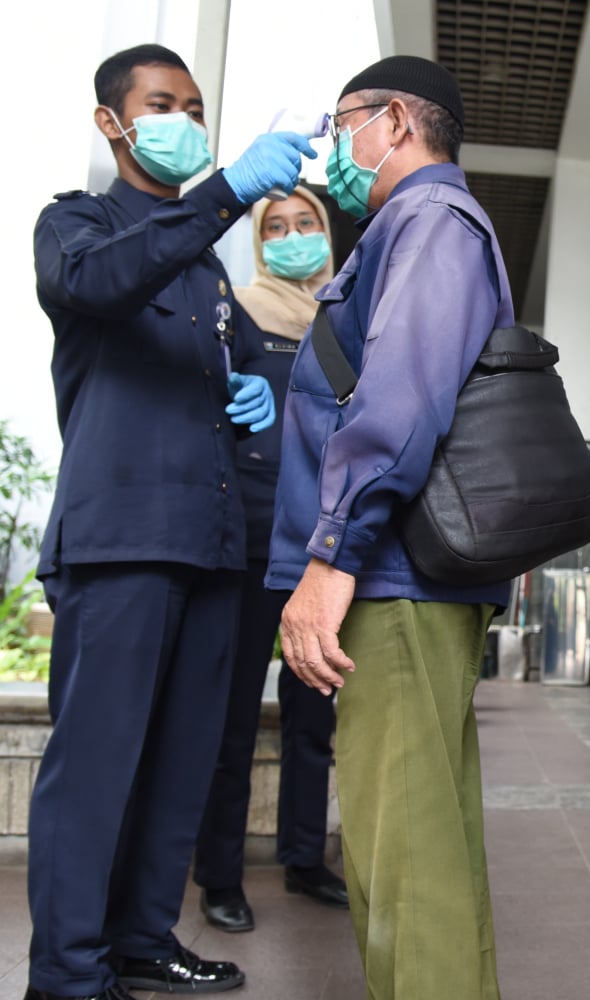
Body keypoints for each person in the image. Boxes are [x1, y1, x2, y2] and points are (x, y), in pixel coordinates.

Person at [28, 44, 313, 1000]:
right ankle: (67, 972)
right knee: (97, 765)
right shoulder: (78, 226)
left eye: (195, 104)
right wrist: (228, 190)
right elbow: (104, 285)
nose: (183, 118)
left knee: (181, 763)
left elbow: (210, 370)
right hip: (121, 544)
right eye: (162, 103)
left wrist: (247, 397)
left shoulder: (212, 278)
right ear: (113, 122)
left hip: (211, 545)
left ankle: (144, 937)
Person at [267, 56, 513, 999]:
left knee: (402, 863)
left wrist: (332, 557)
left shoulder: (428, 221)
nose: (334, 150)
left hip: (392, 577)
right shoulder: (415, 228)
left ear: (398, 120)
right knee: (429, 859)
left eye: (343, 127)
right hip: (402, 576)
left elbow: (400, 400)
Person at [193, 187, 347, 935]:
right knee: (231, 720)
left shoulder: (351, 313)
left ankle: (304, 857)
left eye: (306, 224)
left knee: (313, 713)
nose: (292, 237)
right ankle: (220, 875)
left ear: (327, 230)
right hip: (253, 538)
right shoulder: (241, 310)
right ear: (258, 241)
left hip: (322, 547)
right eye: (276, 228)